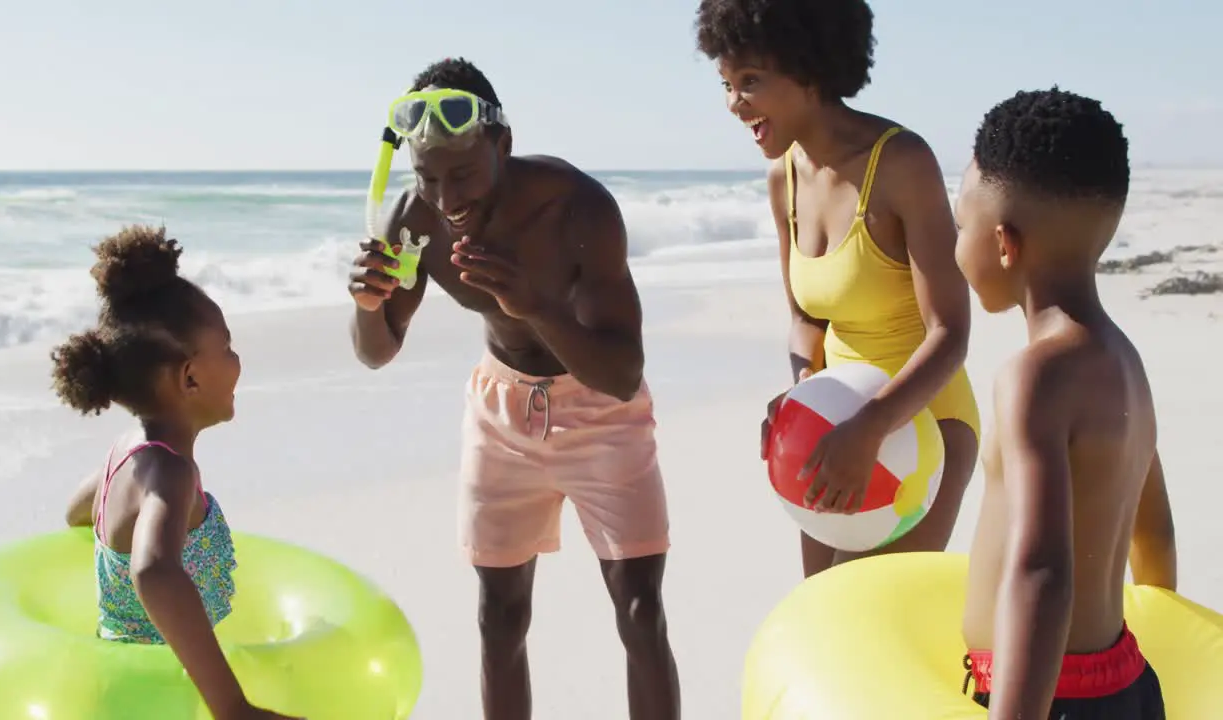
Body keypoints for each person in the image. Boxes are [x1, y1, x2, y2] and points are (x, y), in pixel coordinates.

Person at [347, 57, 680, 720]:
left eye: (463, 174)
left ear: (503, 144)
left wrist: (534, 306)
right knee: (498, 616)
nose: (446, 198)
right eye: (428, 176)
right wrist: (365, 302)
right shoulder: (415, 219)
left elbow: (621, 376)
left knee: (640, 609)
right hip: (501, 414)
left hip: (599, 411)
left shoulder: (577, 209)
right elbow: (376, 354)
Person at [694, 0, 980, 575]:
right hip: (835, 426)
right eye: (726, 83)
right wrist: (804, 396)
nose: (733, 103)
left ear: (811, 67)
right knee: (822, 613)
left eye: (750, 81)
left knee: (869, 621)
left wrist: (870, 425)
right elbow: (805, 318)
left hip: (919, 421)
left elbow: (951, 332)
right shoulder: (784, 177)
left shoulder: (902, 163)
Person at [954, 87, 1176, 719]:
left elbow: (1040, 573)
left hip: (1052, 698)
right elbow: (1153, 533)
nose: (953, 247)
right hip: (1125, 684)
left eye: (959, 227)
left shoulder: (1035, 378)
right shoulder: (1123, 363)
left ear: (1003, 244)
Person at [56, 225, 299, 720]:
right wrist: (232, 707)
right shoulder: (170, 474)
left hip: (119, 688)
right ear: (190, 377)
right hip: (163, 697)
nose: (237, 360)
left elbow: (77, 511)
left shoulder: (126, 455)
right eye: (227, 347)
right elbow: (154, 572)